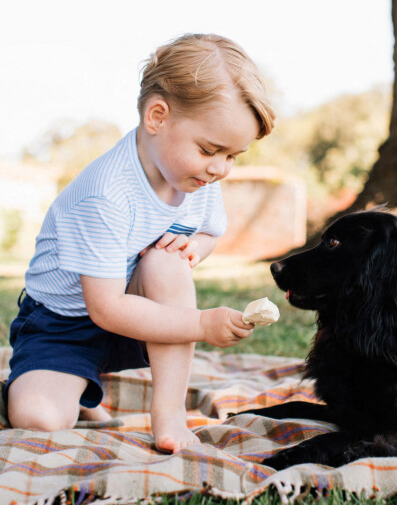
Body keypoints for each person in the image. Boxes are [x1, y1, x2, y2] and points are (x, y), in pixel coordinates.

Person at [4, 33, 276, 453]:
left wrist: (193, 250)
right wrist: (202, 324)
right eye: (210, 149)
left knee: (167, 264)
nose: (220, 168)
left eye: (233, 156)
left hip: (138, 311)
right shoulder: (106, 194)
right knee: (39, 420)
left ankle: (168, 415)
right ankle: (65, 386)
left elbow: (208, 232)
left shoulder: (197, 176)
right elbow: (105, 307)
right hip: (64, 323)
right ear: (157, 116)